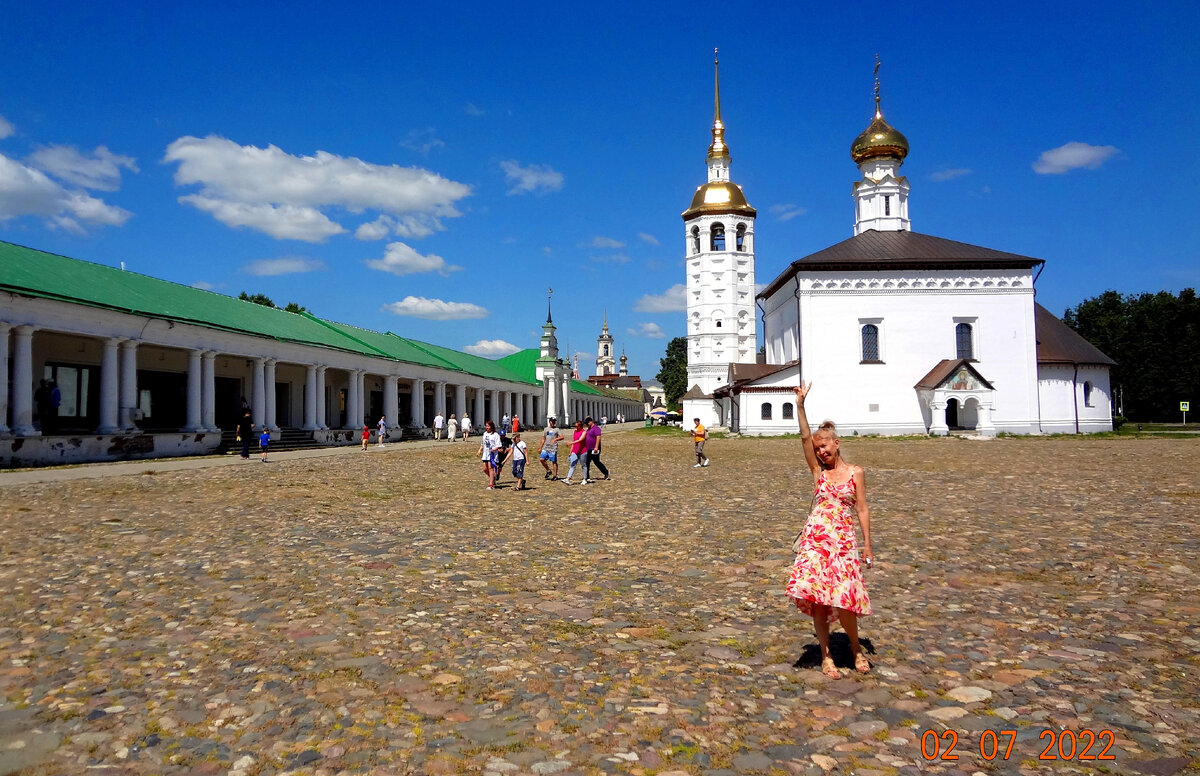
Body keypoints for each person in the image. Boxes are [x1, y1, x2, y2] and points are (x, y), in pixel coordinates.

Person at [785, 382, 874, 678]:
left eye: (825, 446)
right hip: (816, 542)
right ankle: (825, 656)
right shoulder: (817, 472)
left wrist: (868, 544)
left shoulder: (855, 472)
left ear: (836, 443)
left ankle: (855, 648)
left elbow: (861, 508)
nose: (821, 451)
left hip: (844, 541)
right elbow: (803, 437)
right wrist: (800, 406)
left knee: (845, 598)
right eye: (818, 448)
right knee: (818, 600)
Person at [584, 416, 609, 482]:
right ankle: (587, 476)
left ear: (591, 422)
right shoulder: (589, 429)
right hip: (588, 448)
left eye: (587, 423)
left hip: (594, 448)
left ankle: (606, 472)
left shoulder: (596, 429)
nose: (586, 425)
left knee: (596, 462)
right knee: (587, 462)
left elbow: (598, 438)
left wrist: (596, 447)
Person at [479, 421, 502, 490]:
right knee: (485, 469)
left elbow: (499, 445)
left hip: (492, 454)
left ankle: (491, 484)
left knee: (490, 468)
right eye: (486, 426)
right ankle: (493, 478)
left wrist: (494, 449)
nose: (487, 427)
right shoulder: (485, 434)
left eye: (488, 426)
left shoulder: (495, 435)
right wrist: (480, 450)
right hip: (485, 454)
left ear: (491, 426)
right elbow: (483, 443)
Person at [562, 420, 586, 485]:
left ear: (580, 426)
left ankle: (585, 478)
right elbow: (574, 441)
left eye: (577, 426)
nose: (576, 427)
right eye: (575, 426)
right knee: (573, 465)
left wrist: (571, 443)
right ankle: (568, 478)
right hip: (575, 451)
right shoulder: (575, 431)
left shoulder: (584, 432)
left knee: (583, 465)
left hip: (582, 451)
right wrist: (571, 451)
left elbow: (580, 440)